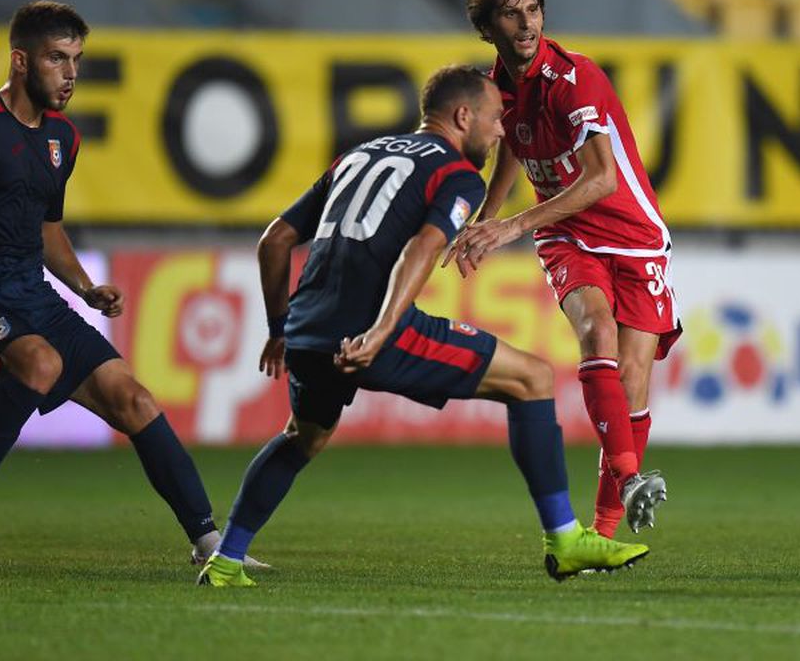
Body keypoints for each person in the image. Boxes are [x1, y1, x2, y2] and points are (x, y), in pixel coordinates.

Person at [197, 64, 650, 589]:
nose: (502, 131)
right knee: (534, 380)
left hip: (308, 330)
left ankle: (226, 561)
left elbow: (274, 240)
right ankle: (567, 541)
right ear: (463, 116)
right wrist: (383, 330)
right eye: (495, 119)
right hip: (375, 329)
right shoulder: (455, 174)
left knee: (302, 436)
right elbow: (423, 247)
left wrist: (280, 327)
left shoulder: (358, 156)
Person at [0, 0, 252, 573]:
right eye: (57, 59)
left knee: (135, 400)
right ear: (20, 61)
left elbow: (46, 229)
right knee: (38, 364)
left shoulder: (62, 138)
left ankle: (211, 546)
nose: (70, 74)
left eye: (76, 60)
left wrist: (84, 288)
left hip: (32, 293)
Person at [447, 0, 681, 539]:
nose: (526, 24)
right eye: (511, 13)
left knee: (632, 381)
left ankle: (603, 535)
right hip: (568, 231)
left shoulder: (576, 78)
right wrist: (487, 218)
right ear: (488, 26)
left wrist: (510, 226)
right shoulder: (494, 88)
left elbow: (602, 180)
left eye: (533, 10)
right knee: (595, 330)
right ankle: (628, 479)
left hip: (633, 234)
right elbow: (512, 148)